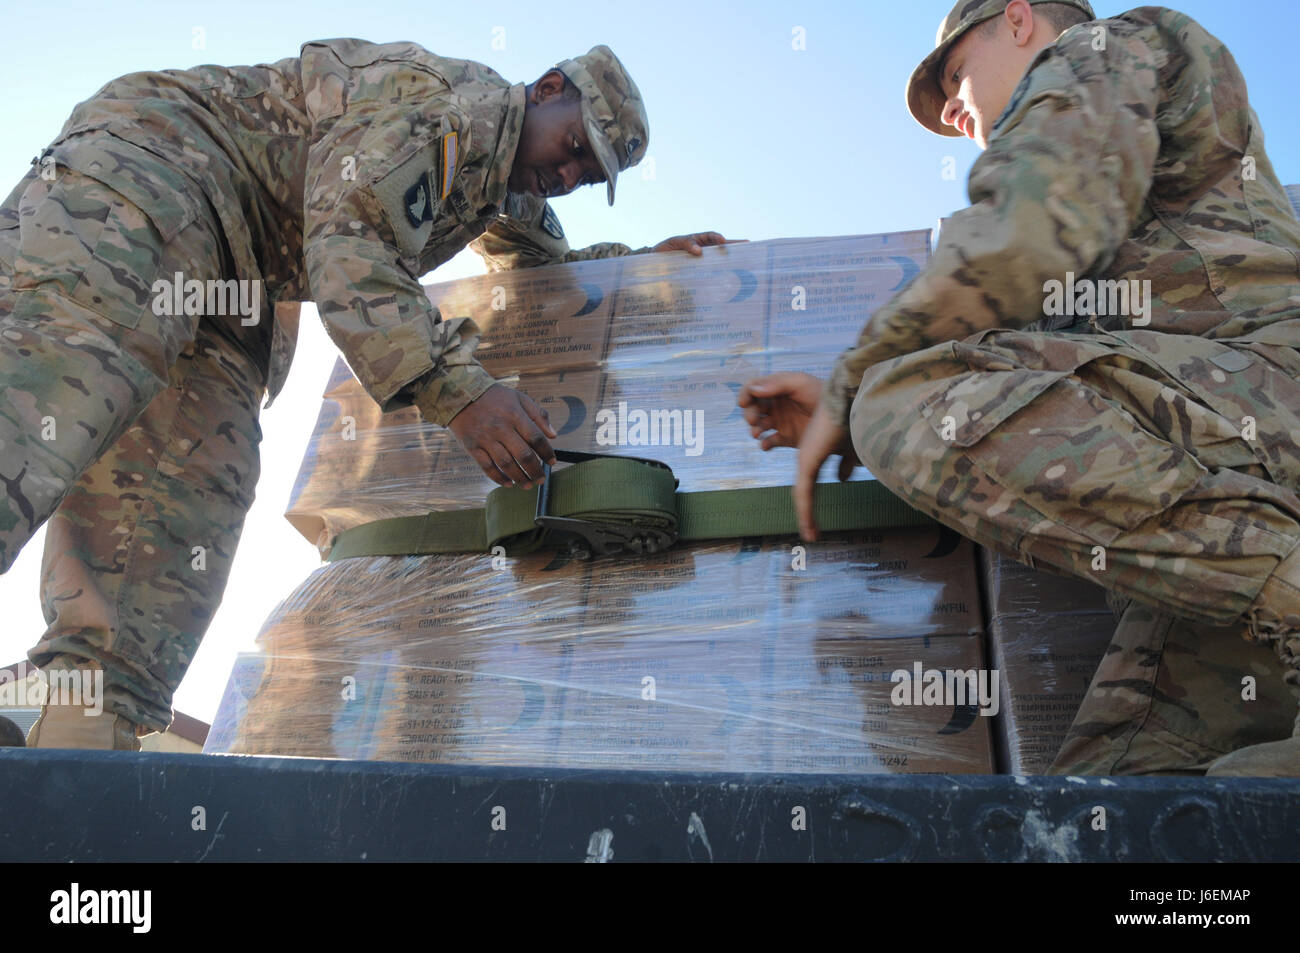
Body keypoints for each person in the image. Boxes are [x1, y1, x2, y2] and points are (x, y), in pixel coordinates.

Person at [1, 39, 731, 749]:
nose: (568, 171)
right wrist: (461, 394)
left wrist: (641, 268)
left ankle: (82, 727)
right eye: (572, 143)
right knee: (59, 395)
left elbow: (544, 265)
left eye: (587, 170)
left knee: (189, 487)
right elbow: (351, 240)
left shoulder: (500, 180)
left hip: (239, 280)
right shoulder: (446, 112)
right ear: (544, 90)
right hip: (160, 173)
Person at [740, 0, 1300, 775]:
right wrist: (845, 426)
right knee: (1117, 814)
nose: (954, 111)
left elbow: (1023, 230)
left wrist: (856, 392)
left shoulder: (1110, 47)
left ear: (1017, 19)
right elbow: (1025, 389)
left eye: (956, 76)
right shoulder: (1103, 202)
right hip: (1230, 511)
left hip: (1268, 416)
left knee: (895, 400)